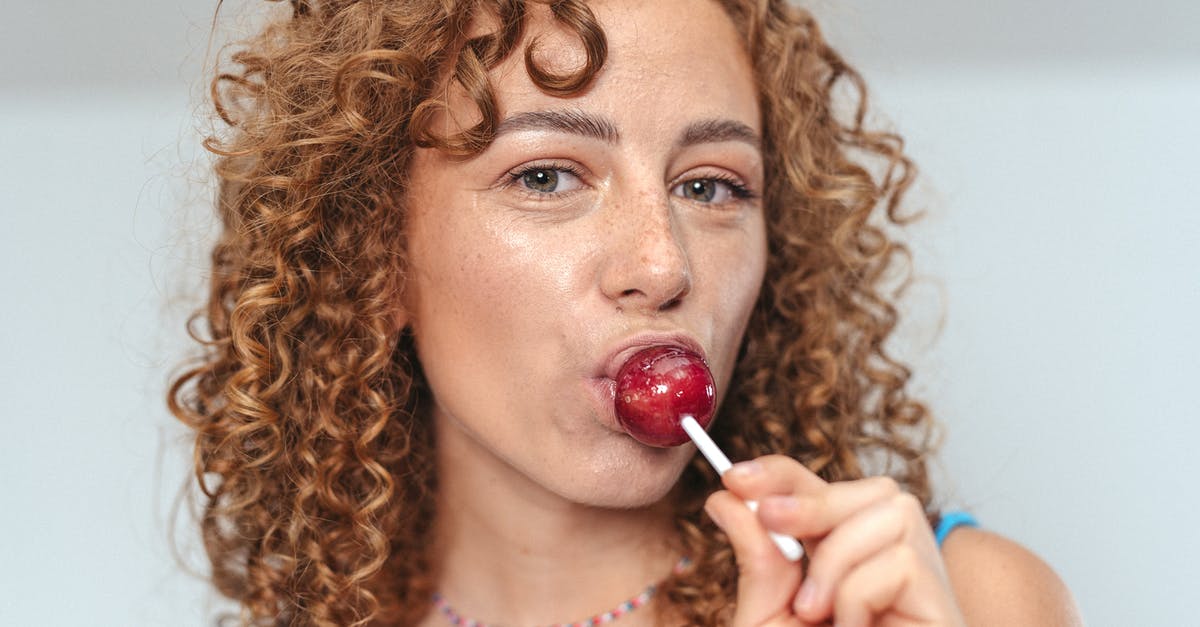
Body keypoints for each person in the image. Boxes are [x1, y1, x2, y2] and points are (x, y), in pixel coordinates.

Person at [169, 0, 1081, 625]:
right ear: (376, 258)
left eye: (712, 186)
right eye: (545, 175)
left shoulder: (964, 601)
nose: (662, 263)